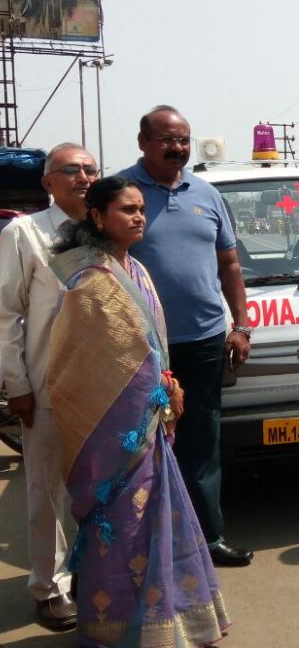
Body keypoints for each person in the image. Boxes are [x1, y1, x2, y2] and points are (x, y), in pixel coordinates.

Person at [47, 176, 231, 646]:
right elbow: (82, 368)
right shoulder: (91, 283)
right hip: (119, 432)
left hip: (154, 423)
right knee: (123, 527)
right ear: (97, 216)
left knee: (157, 522)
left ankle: (164, 622)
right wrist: (151, 399)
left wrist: (165, 388)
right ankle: (116, 630)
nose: (138, 217)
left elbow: (152, 349)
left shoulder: (137, 270)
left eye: (141, 209)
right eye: (127, 209)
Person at [119, 105, 253, 567]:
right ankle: (143, 546)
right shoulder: (123, 193)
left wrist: (241, 324)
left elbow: (230, 265)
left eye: (183, 139)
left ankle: (207, 539)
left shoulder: (207, 194)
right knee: (138, 445)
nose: (177, 148)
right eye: (166, 139)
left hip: (203, 341)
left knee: (201, 443)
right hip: (139, 345)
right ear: (143, 143)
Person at [0, 142, 98, 630]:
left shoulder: (105, 232)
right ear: (48, 183)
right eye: (70, 170)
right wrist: (17, 384)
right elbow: (6, 314)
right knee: (48, 491)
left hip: (102, 388)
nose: (82, 177)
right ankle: (49, 587)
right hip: (45, 385)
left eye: (89, 169)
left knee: (98, 486)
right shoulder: (25, 233)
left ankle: (90, 575)